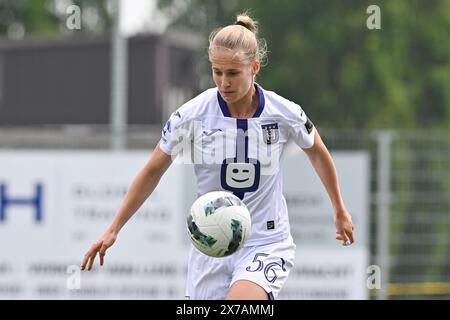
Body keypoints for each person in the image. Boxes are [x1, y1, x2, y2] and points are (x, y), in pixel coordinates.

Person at [81, 13, 355, 300]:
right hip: (210, 243)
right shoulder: (191, 116)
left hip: (265, 241)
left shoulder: (284, 113)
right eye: (217, 72)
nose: (224, 82)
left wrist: (339, 209)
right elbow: (152, 172)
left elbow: (318, 153)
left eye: (233, 73)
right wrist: (113, 229)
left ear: (254, 68)